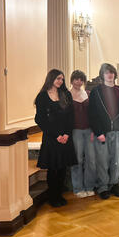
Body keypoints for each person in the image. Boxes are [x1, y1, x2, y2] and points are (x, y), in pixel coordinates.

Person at [35, 69, 77, 207]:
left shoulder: (66, 94)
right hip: (51, 137)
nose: (60, 81)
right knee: (53, 168)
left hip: (65, 136)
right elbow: (40, 119)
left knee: (62, 168)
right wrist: (56, 135)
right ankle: (52, 196)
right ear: (51, 79)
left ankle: (59, 194)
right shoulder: (42, 96)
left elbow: (71, 117)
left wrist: (66, 134)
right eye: (58, 78)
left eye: (62, 79)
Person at [89, 63, 119, 200]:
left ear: (115, 74)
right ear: (102, 75)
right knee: (102, 161)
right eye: (107, 72)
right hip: (102, 133)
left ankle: (114, 184)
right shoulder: (96, 91)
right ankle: (103, 187)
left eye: (112, 72)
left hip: (118, 132)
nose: (110, 75)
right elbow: (92, 114)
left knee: (116, 160)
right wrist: (98, 132)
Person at [69, 70, 96, 199]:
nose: (78, 82)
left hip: (89, 130)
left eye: (81, 79)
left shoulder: (87, 93)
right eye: (76, 79)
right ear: (72, 80)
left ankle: (89, 186)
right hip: (75, 131)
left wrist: (93, 130)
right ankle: (78, 187)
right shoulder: (67, 95)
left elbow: (92, 114)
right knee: (77, 160)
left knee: (91, 160)